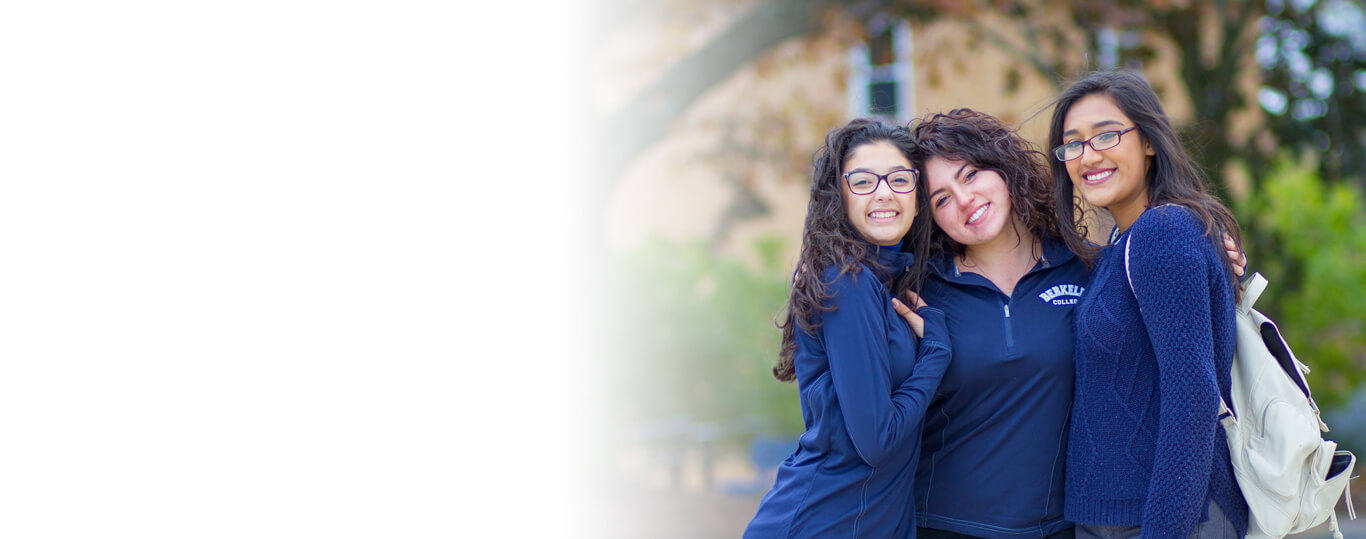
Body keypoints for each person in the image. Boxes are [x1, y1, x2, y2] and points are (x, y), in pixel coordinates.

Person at [1047, 70, 1249, 538]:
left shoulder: (1163, 233)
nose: (1087, 156)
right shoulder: (1124, 243)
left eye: (1106, 135)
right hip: (1114, 518)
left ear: (1149, 141)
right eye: (1072, 144)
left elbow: (1193, 397)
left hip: (1168, 518)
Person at [744, 118, 952, 538]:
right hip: (824, 522)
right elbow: (877, 441)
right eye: (862, 181)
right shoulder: (848, 282)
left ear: (918, 198)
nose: (883, 192)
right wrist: (935, 354)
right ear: (838, 197)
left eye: (899, 179)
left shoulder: (881, 283)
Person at [906, 109, 1089, 539]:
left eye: (970, 175)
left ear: (1004, 168)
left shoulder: (1084, 267)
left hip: (1063, 526)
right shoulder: (919, 292)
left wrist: (1219, 256)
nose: (964, 199)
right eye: (941, 199)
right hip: (946, 526)